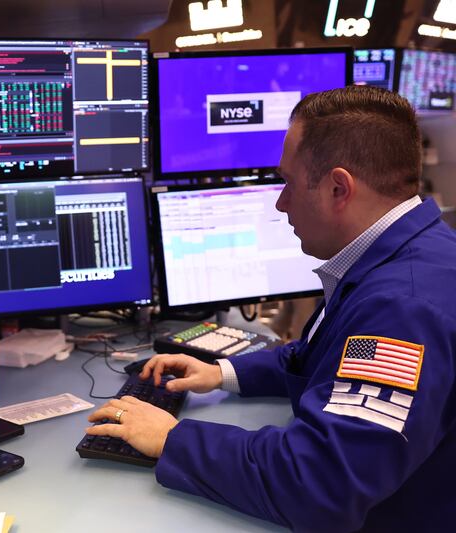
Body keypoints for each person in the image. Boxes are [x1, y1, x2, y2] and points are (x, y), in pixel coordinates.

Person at [86, 85, 456, 532]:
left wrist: (171, 437)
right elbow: (325, 357)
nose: (281, 203)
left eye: (289, 182)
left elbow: (322, 484)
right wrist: (223, 373)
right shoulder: (407, 255)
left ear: (339, 187)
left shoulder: (401, 310)